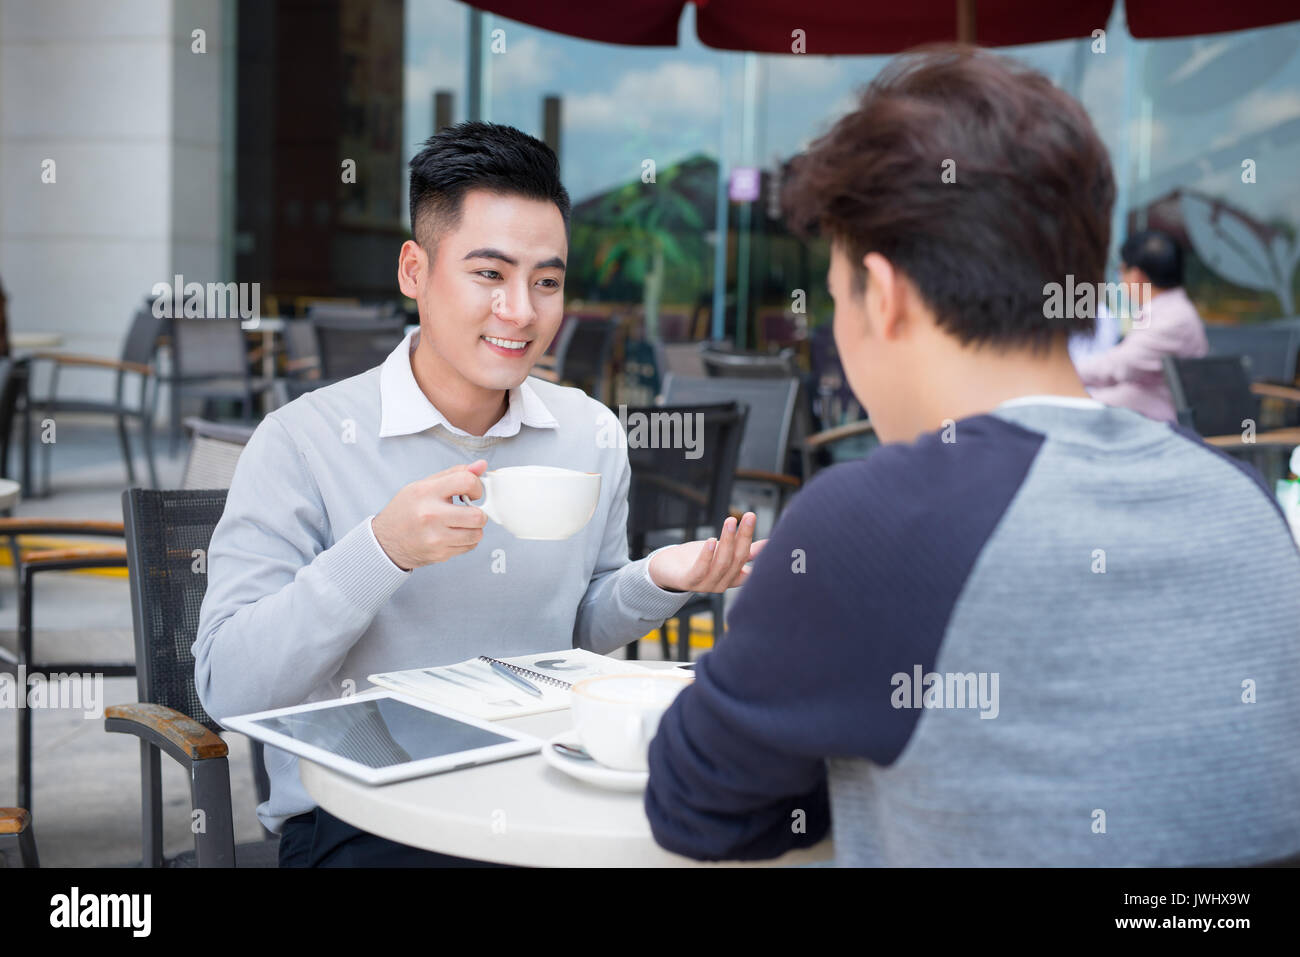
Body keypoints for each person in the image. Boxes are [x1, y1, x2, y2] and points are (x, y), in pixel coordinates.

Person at [644, 47, 1300, 866]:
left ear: (882, 297)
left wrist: (789, 622)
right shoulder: (1246, 502)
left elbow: (694, 805)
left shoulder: (872, 524)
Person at [194, 122, 762, 867]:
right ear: (414, 271)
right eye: (489, 274)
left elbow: (577, 628)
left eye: (547, 281)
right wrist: (381, 550)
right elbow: (228, 689)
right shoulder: (303, 439)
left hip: (548, 795)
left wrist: (657, 579)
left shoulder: (587, 431)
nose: (522, 311)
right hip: (367, 821)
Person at [1075, 229, 1208, 421]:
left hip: (1156, 419)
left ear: (1135, 275)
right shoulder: (1169, 311)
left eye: (1120, 271)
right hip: (1142, 411)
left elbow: (1117, 367)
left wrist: (1060, 372)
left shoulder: (1173, 320)